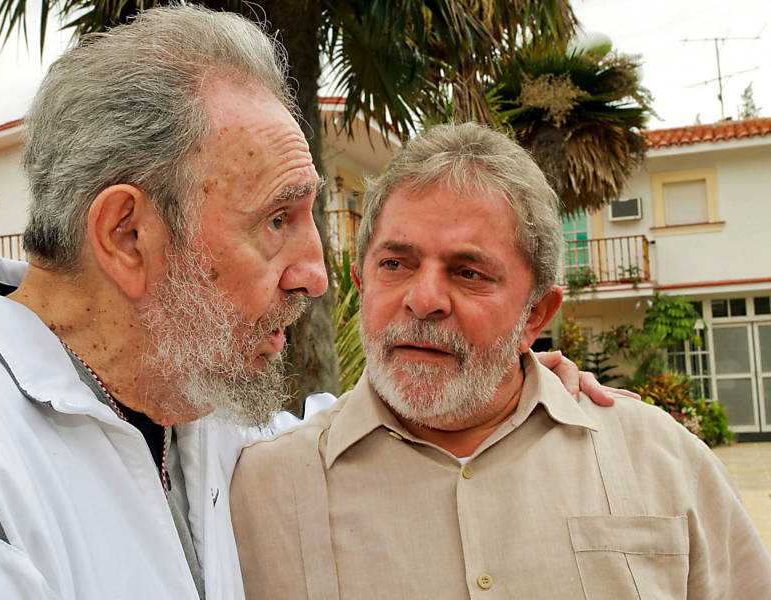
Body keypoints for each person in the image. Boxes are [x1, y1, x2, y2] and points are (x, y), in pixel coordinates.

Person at [0, 7, 613, 599]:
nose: (316, 272)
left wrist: (508, 382)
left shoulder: (188, 401)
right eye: (277, 220)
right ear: (126, 235)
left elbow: (332, 438)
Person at [230, 122, 771, 599]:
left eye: (469, 273)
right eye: (396, 263)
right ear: (362, 281)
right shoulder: (260, 492)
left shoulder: (662, 461)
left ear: (536, 315)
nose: (424, 300)